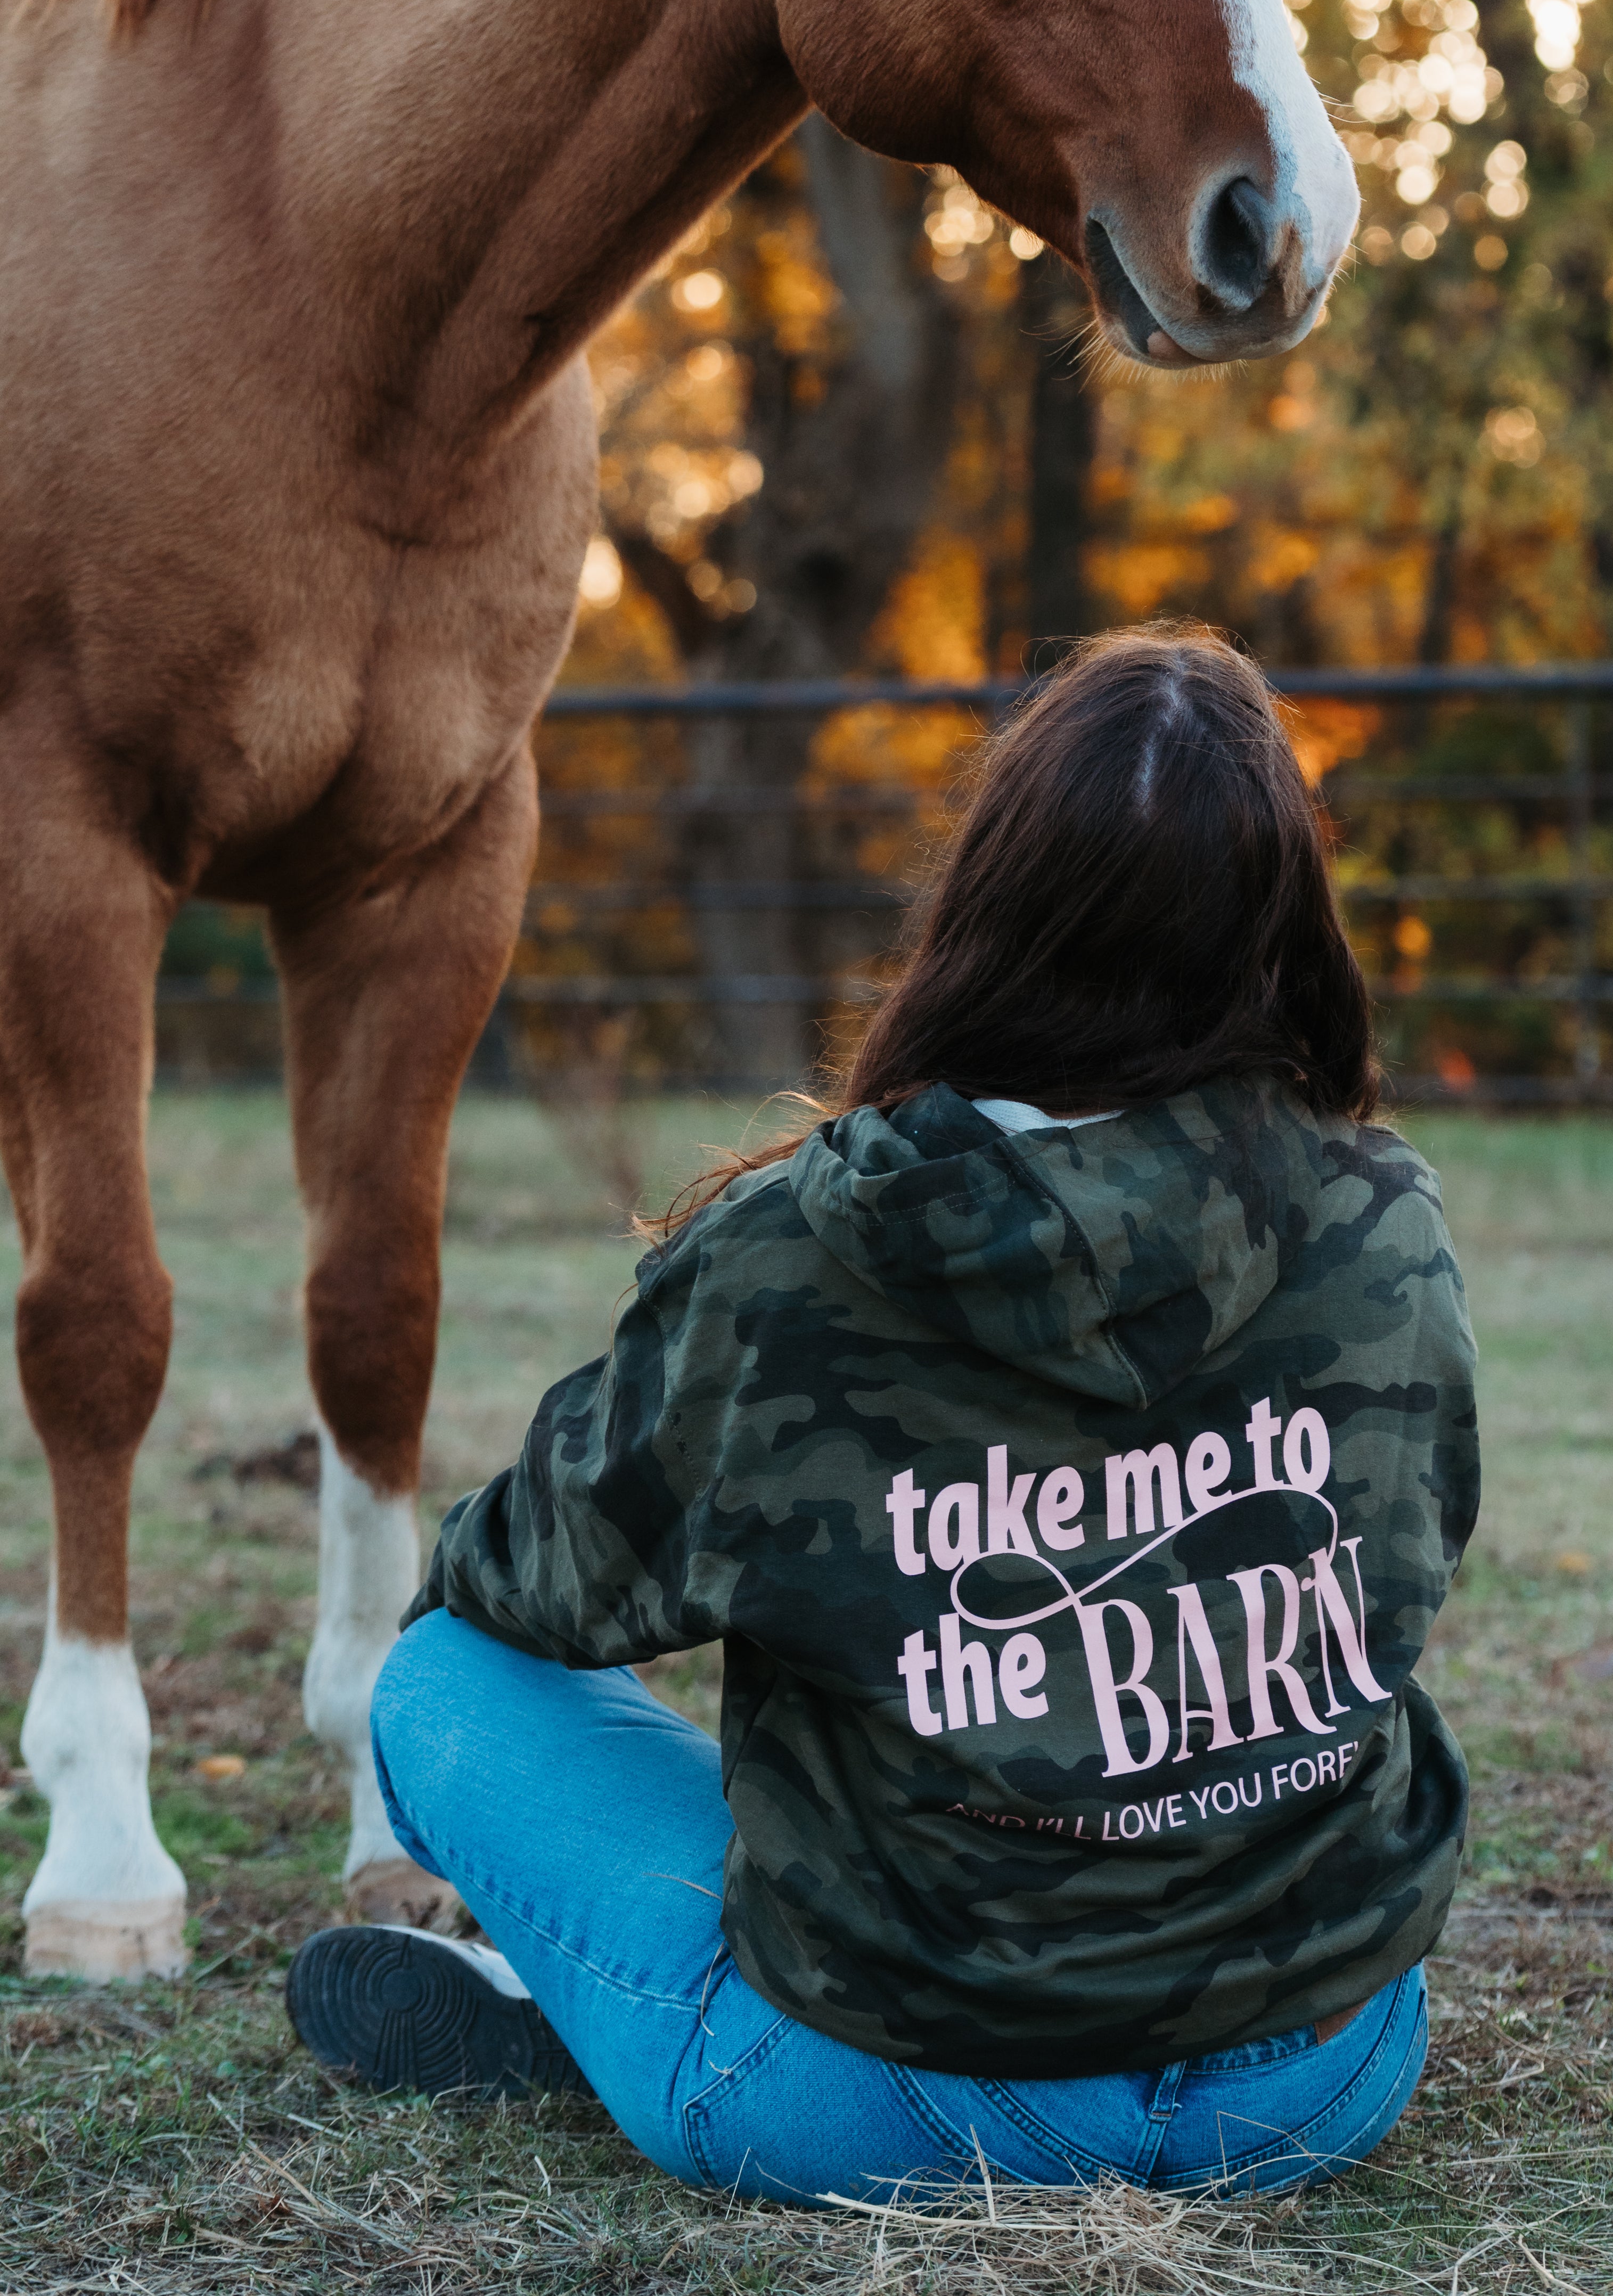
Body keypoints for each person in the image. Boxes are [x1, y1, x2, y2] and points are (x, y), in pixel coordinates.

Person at [286, 624, 1477, 2205]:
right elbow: (1415, 1561)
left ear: (987, 896)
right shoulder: (1383, 1221)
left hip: (886, 2106)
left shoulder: (796, 1253)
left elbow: (533, 1584)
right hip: (1316, 2077)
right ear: (1284, 929)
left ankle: (605, 2003)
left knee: (432, 1673)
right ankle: (628, 1996)